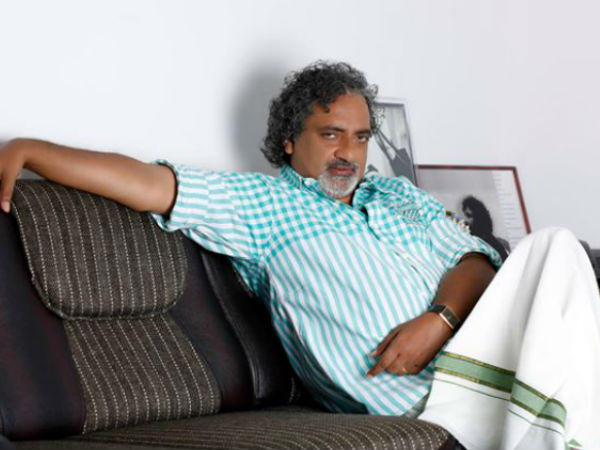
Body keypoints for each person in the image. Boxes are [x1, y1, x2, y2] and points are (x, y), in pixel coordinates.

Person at [0, 62, 598, 450]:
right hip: (417, 396)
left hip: (479, 353)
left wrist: (437, 321)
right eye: (330, 134)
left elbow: (474, 262)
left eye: (360, 138)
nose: (349, 153)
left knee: (557, 251)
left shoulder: (395, 194)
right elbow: (150, 183)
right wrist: (31, 150)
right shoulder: (261, 206)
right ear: (289, 141)